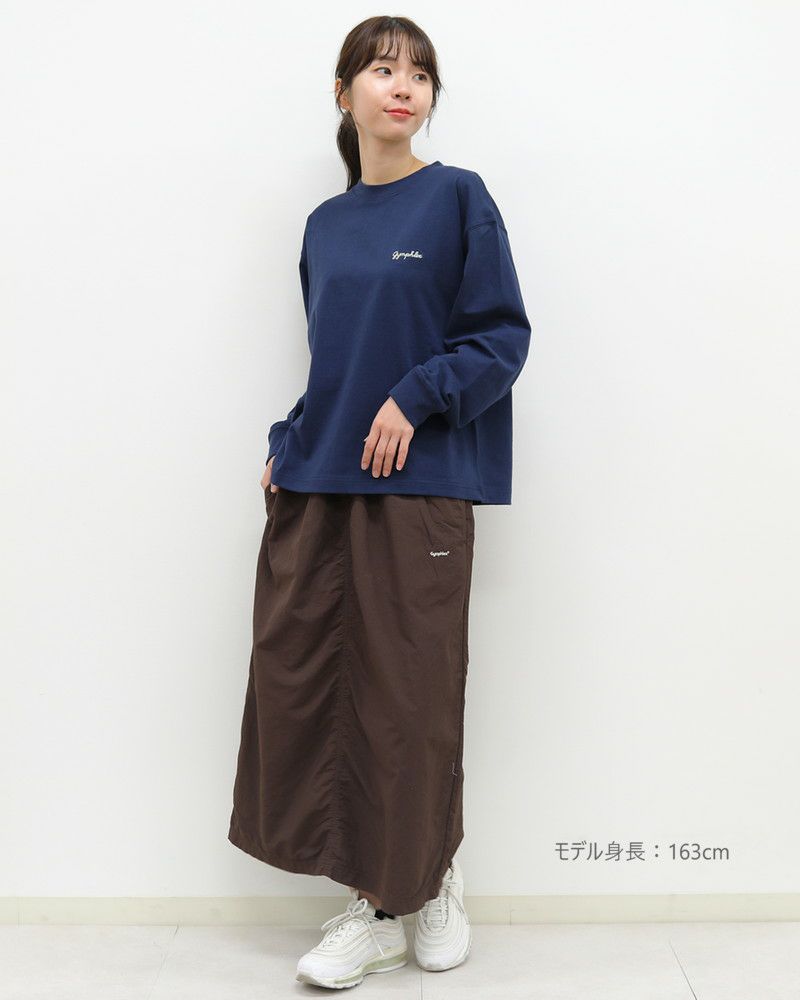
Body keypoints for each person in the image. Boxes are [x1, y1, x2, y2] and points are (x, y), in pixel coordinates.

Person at [227, 15, 532, 990]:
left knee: (409, 700)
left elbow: (500, 339)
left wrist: (416, 395)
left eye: (420, 74)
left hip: (421, 488)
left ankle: (419, 887)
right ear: (343, 91)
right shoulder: (325, 226)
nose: (404, 86)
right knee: (314, 693)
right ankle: (377, 901)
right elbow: (334, 362)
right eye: (383, 69)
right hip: (320, 481)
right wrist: (288, 438)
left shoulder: (457, 198)